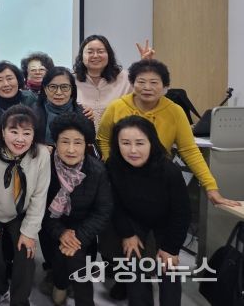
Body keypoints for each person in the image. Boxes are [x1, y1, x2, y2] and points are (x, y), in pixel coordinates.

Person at [96, 59, 238, 207]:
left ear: (165, 86)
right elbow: (103, 139)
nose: (147, 87)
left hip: (157, 176)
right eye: (141, 82)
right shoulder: (116, 107)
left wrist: (210, 186)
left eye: (154, 82)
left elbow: (189, 150)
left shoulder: (175, 111)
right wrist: (111, 164)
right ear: (132, 84)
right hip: (121, 175)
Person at [106, 116, 191, 306]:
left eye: (140, 143)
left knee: (167, 267)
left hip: (166, 221)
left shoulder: (169, 171)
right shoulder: (113, 165)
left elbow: (182, 213)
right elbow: (114, 203)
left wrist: (170, 248)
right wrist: (127, 233)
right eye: (125, 143)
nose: (133, 150)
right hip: (134, 219)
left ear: (151, 142)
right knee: (134, 262)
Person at [0, 105, 51, 306]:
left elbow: (39, 196)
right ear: (2, 131)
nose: (20, 139)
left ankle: (19, 300)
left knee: (26, 254)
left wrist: (29, 232)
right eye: (13, 131)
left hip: (21, 214)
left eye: (27, 133)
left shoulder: (42, 154)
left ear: (34, 135)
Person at [40, 113, 112, 306]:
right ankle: (61, 281)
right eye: (65, 141)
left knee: (74, 254)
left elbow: (102, 210)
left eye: (78, 143)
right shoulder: (44, 167)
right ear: (55, 142)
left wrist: (77, 236)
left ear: (86, 144)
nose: (71, 149)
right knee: (61, 252)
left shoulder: (97, 170)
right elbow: (39, 206)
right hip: (51, 225)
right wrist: (61, 233)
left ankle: (67, 288)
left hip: (84, 227)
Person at [73, 35, 154, 128]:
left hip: (118, 135)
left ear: (109, 55)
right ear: (81, 56)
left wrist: (146, 66)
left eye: (100, 51)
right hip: (80, 136)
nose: (95, 56)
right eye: (90, 52)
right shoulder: (71, 81)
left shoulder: (126, 78)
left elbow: (146, 95)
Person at [0, 61, 38, 141]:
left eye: (9, 78)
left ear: (18, 80)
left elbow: (38, 130)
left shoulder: (30, 99)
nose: (6, 84)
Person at [33, 66, 92, 147]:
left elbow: (89, 145)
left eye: (64, 87)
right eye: (53, 87)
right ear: (45, 89)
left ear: (72, 89)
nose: (59, 92)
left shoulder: (84, 113)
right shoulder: (33, 114)